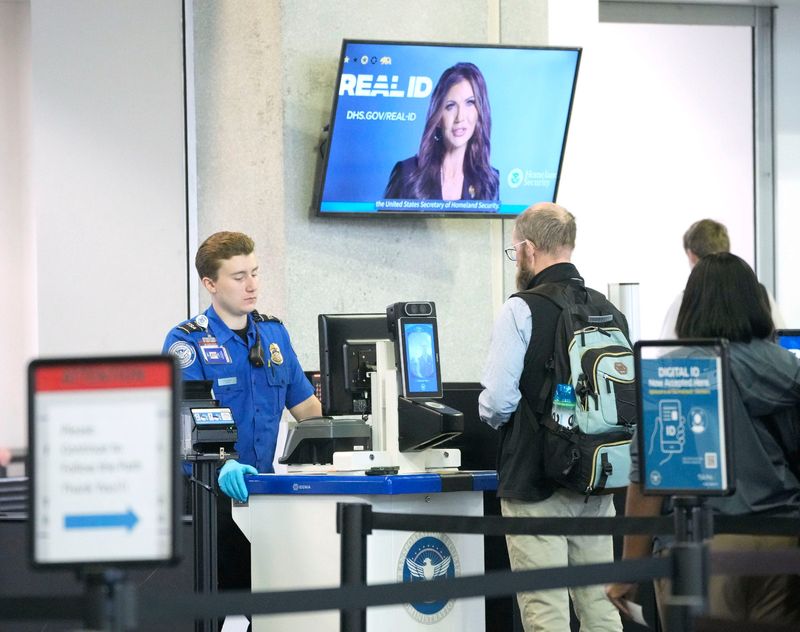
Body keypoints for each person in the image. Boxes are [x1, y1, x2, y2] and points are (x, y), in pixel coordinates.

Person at [607, 252, 800, 627]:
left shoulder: (674, 373)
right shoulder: (788, 367)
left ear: (690, 307)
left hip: (704, 548)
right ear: (755, 302)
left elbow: (649, 482)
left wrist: (629, 570)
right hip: (784, 542)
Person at [479, 202, 622, 632]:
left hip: (536, 481)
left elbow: (497, 402)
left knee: (546, 610)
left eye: (513, 251)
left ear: (527, 249)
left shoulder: (521, 309)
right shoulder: (609, 310)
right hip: (598, 481)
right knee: (600, 606)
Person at [163, 231, 321, 595]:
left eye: (255, 272)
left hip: (264, 497)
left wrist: (340, 445)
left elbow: (308, 410)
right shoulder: (186, 342)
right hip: (206, 499)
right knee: (215, 609)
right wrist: (222, 465)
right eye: (239, 277)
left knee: (266, 610)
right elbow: (184, 426)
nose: (252, 285)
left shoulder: (274, 335)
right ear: (210, 284)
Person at [384, 62, 499, 201]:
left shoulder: (489, 181)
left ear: (480, 112)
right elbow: (387, 223)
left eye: (470, 103)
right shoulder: (407, 173)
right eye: (450, 106)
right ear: (438, 117)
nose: (460, 117)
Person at [660, 219, 784, 338]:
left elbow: (666, 354)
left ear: (691, 255)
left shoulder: (686, 300)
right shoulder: (760, 294)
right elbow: (784, 340)